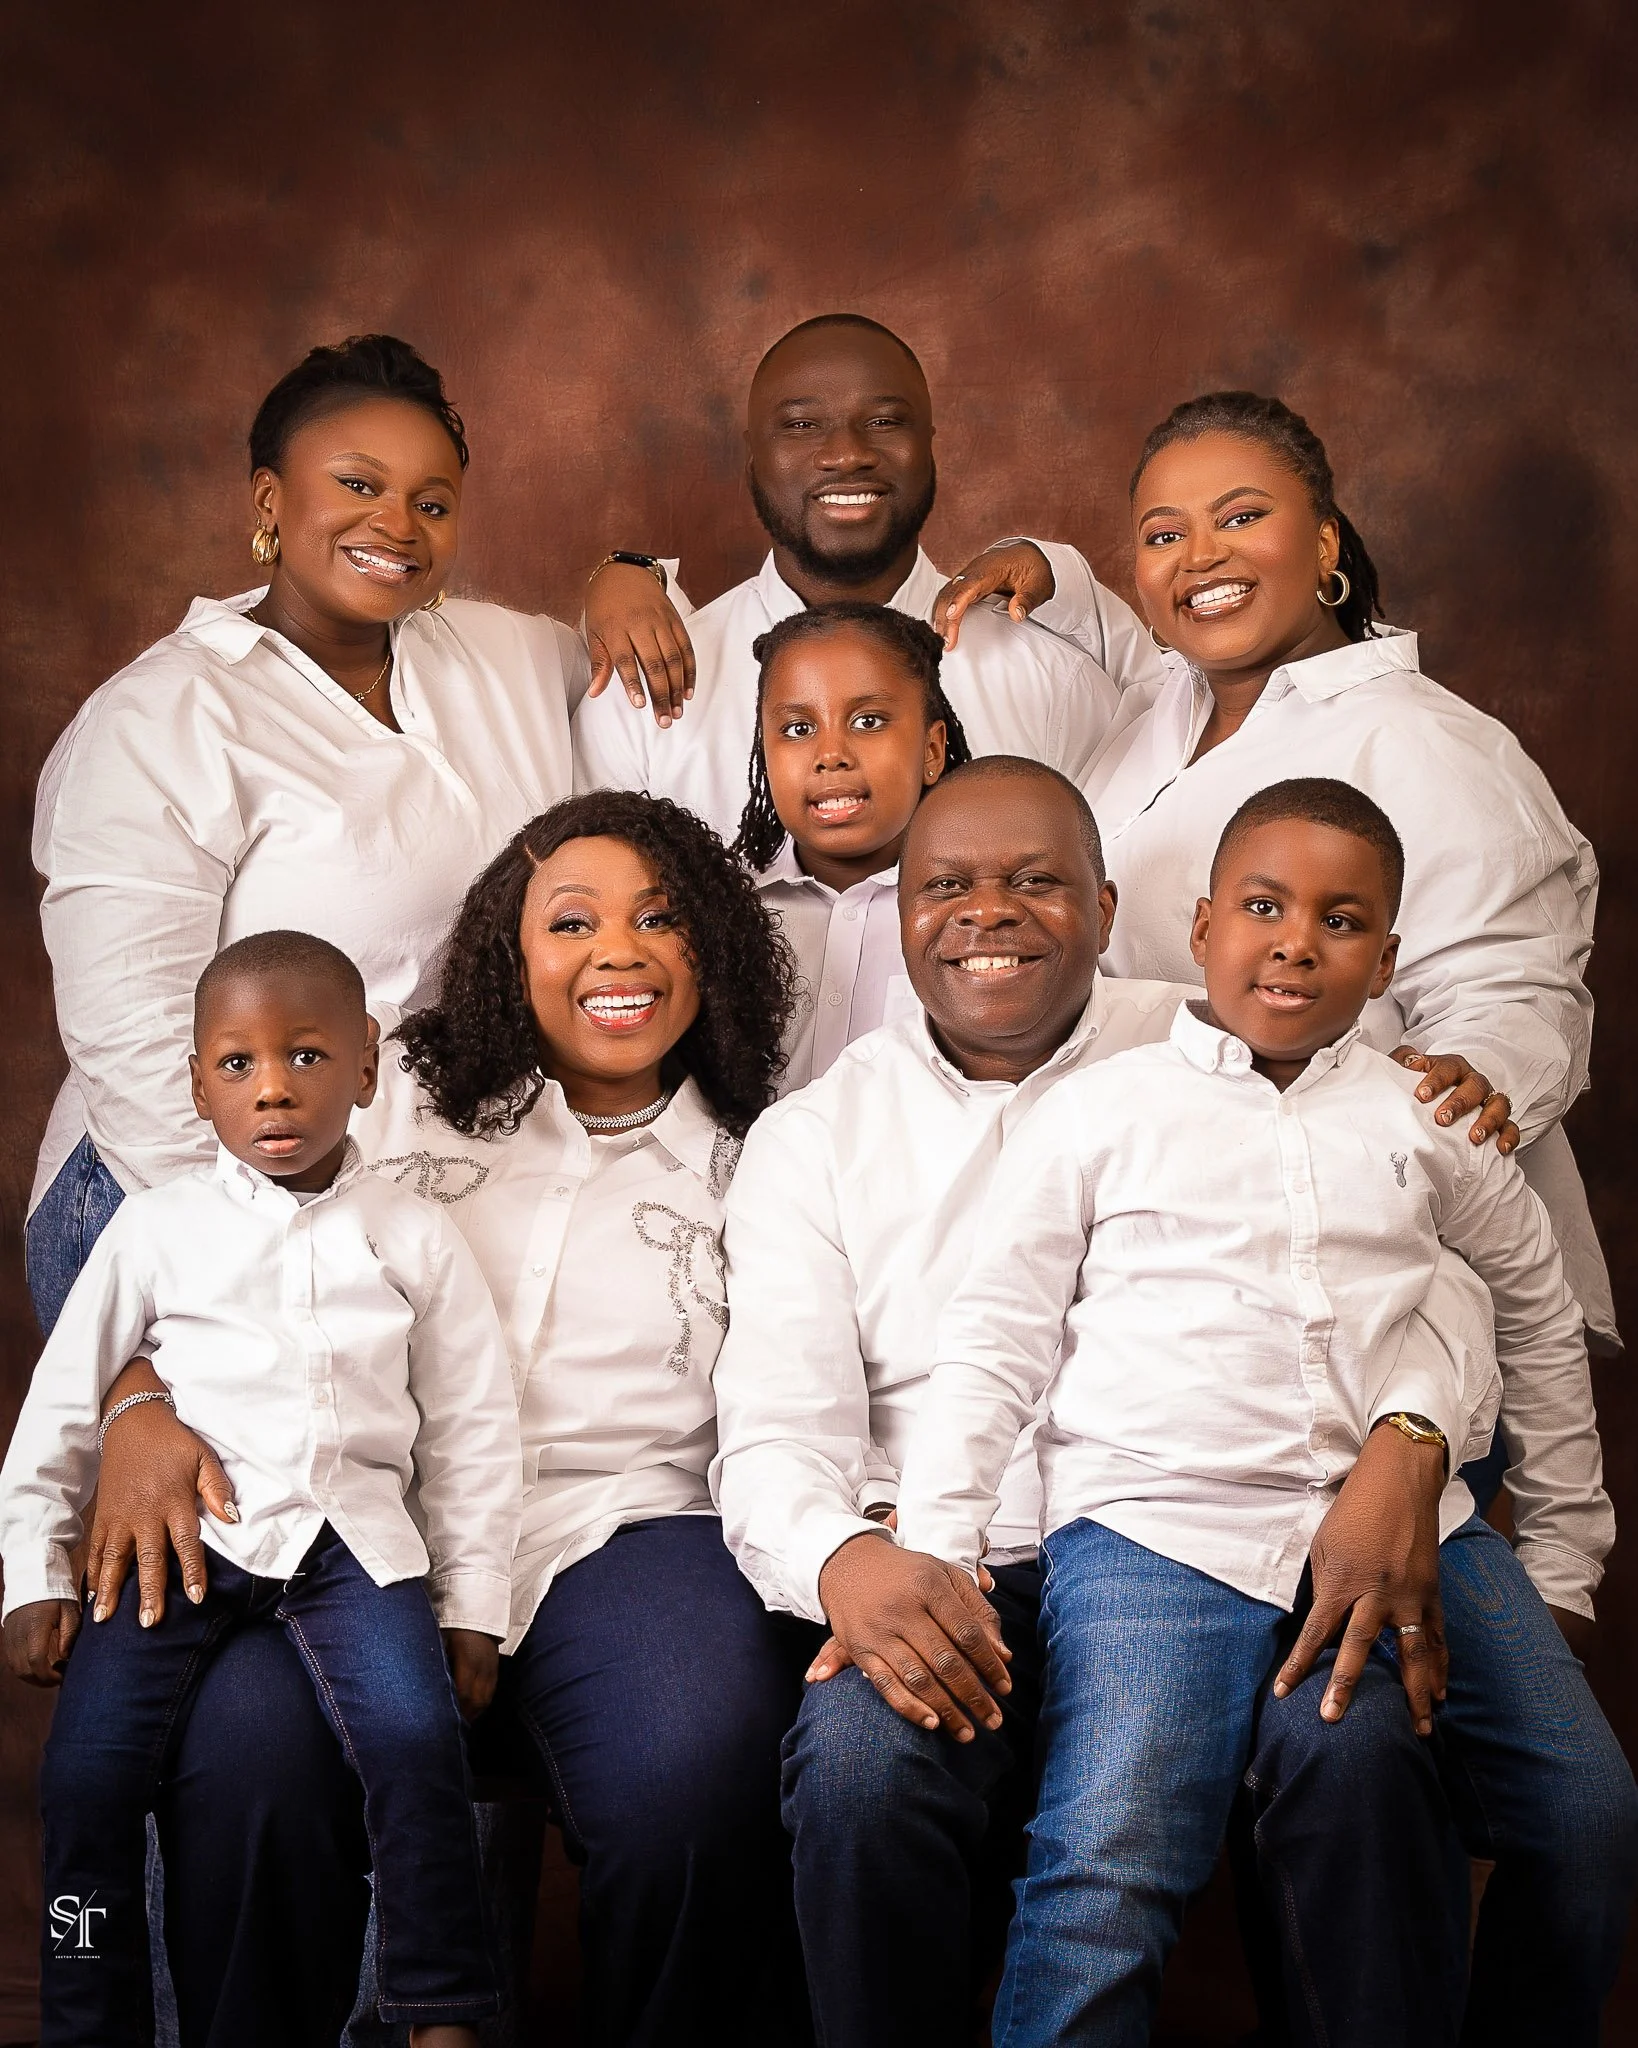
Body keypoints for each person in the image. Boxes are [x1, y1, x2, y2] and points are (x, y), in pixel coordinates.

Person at [710, 758, 1511, 2048]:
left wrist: (1409, 1436)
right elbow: (773, 1424)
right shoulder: (815, 1135)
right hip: (951, 1564)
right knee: (860, 1761)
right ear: (896, 912)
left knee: (1358, 1743)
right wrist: (847, 1556)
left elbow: (1432, 1271)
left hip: (1212, 1535)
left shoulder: (1239, 1035)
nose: (991, 913)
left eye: (1036, 880)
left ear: (1110, 899)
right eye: (948, 886)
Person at [894, 779, 1622, 2047]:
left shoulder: (1428, 1119)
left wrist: (1562, 1554)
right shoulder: (1102, 1115)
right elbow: (996, 1340)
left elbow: (1537, 1317)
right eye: (1266, 908)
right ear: (1203, 922)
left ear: (1385, 957)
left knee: (1592, 1816)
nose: (1296, 941)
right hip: (1152, 1539)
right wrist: (941, 1544)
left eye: (1341, 920)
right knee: (1107, 1871)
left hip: (1412, 1534)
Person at [83, 794, 813, 2048]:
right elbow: (189, 1264)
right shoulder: (384, 1088)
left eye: (662, 918)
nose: (619, 951)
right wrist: (137, 1400)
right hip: (350, 1528)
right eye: (571, 921)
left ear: (717, 949)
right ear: (508, 951)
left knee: (692, 1771)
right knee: (246, 1760)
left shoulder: (772, 1157)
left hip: (630, 1525)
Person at [932, 390, 1616, 1363]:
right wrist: (1060, 577)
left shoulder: (1426, 742)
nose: (1200, 556)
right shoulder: (1157, 715)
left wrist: (1483, 1074)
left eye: (1242, 517)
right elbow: (1126, 652)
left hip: (1374, 1274)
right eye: (1165, 534)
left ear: (1328, 546)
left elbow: (1510, 987)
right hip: (1178, 1246)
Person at [2, 932, 521, 2048]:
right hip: (179, 1548)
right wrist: (32, 1572)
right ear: (197, 1082)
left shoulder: (415, 1234)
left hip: (355, 1550)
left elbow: (476, 1427)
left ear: (367, 1069)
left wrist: (475, 1606)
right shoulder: (155, 1229)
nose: (273, 1085)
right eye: (236, 1063)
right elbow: (61, 1404)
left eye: (307, 1054)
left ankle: (442, 2007)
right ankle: (87, 2015)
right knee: (86, 1777)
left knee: (419, 1748)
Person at [28, 332, 587, 1337]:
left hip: (406, 1191)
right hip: (180, 1202)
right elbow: (139, 1046)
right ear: (270, 503)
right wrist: (268, 1249)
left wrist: (632, 578)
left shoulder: (494, 653)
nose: (398, 524)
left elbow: (647, 664)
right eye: (358, 483)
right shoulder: (166, 718)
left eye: (432, 501)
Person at [571, 313, 1165, 841]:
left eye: (883, 421)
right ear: (754, 456)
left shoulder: (1051, 680)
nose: (847, 453)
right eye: (802, 425)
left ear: (930, 445)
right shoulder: (642, 690)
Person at [731, 600, 973, 1092]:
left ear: (931, 751)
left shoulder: (976, 914)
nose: (831, 756)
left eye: (867, 722)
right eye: (798, 729)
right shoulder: (728, 910)